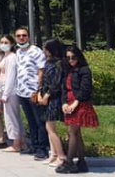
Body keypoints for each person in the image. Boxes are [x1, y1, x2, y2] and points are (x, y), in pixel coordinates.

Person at [60, 45, 98, 174]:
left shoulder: (84, 70)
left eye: (73, 57)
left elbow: (85, 89)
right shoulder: (68, 70)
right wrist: (64, 103)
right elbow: (64, 89)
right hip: (69, 102)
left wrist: (75, 103)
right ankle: (82, 162)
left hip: (80, 103)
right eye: (68, 58)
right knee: (76, 133)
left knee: (72, 131)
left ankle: (69, 161)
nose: (71, 60)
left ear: (79, 56)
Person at [14, 27, 48, 159]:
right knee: (31, 121)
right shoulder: (18, 52)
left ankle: (42, 148)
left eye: (24, 35)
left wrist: (38, 89)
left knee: (40, 121)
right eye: (18, 36)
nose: (21, 38)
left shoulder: (36, 51)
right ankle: (33, 145)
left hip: (34, 92)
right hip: (22, 92)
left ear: (28, 36)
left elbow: (41, 70)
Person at [41, 39, 67, 167]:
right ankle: (53, 154)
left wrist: (46, 95)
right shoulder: (48, 62)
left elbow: (56, 83)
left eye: (45, 49)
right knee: (49, 127)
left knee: (51, 128)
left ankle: (61, 156)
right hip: (48, 96)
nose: (44, 51)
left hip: (54, 98)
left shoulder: (58, 64)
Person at [0, 35, 24, 153]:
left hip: (10, 91)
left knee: (11, 117)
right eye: (2, 42)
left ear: (12, 44)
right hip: (4, 89)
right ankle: (21, 142)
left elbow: (10, 77)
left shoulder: (12, 58)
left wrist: (5, 94)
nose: (3, 44)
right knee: (12, 116)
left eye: (6, 42)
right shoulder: (6, 56)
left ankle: (16, 144)